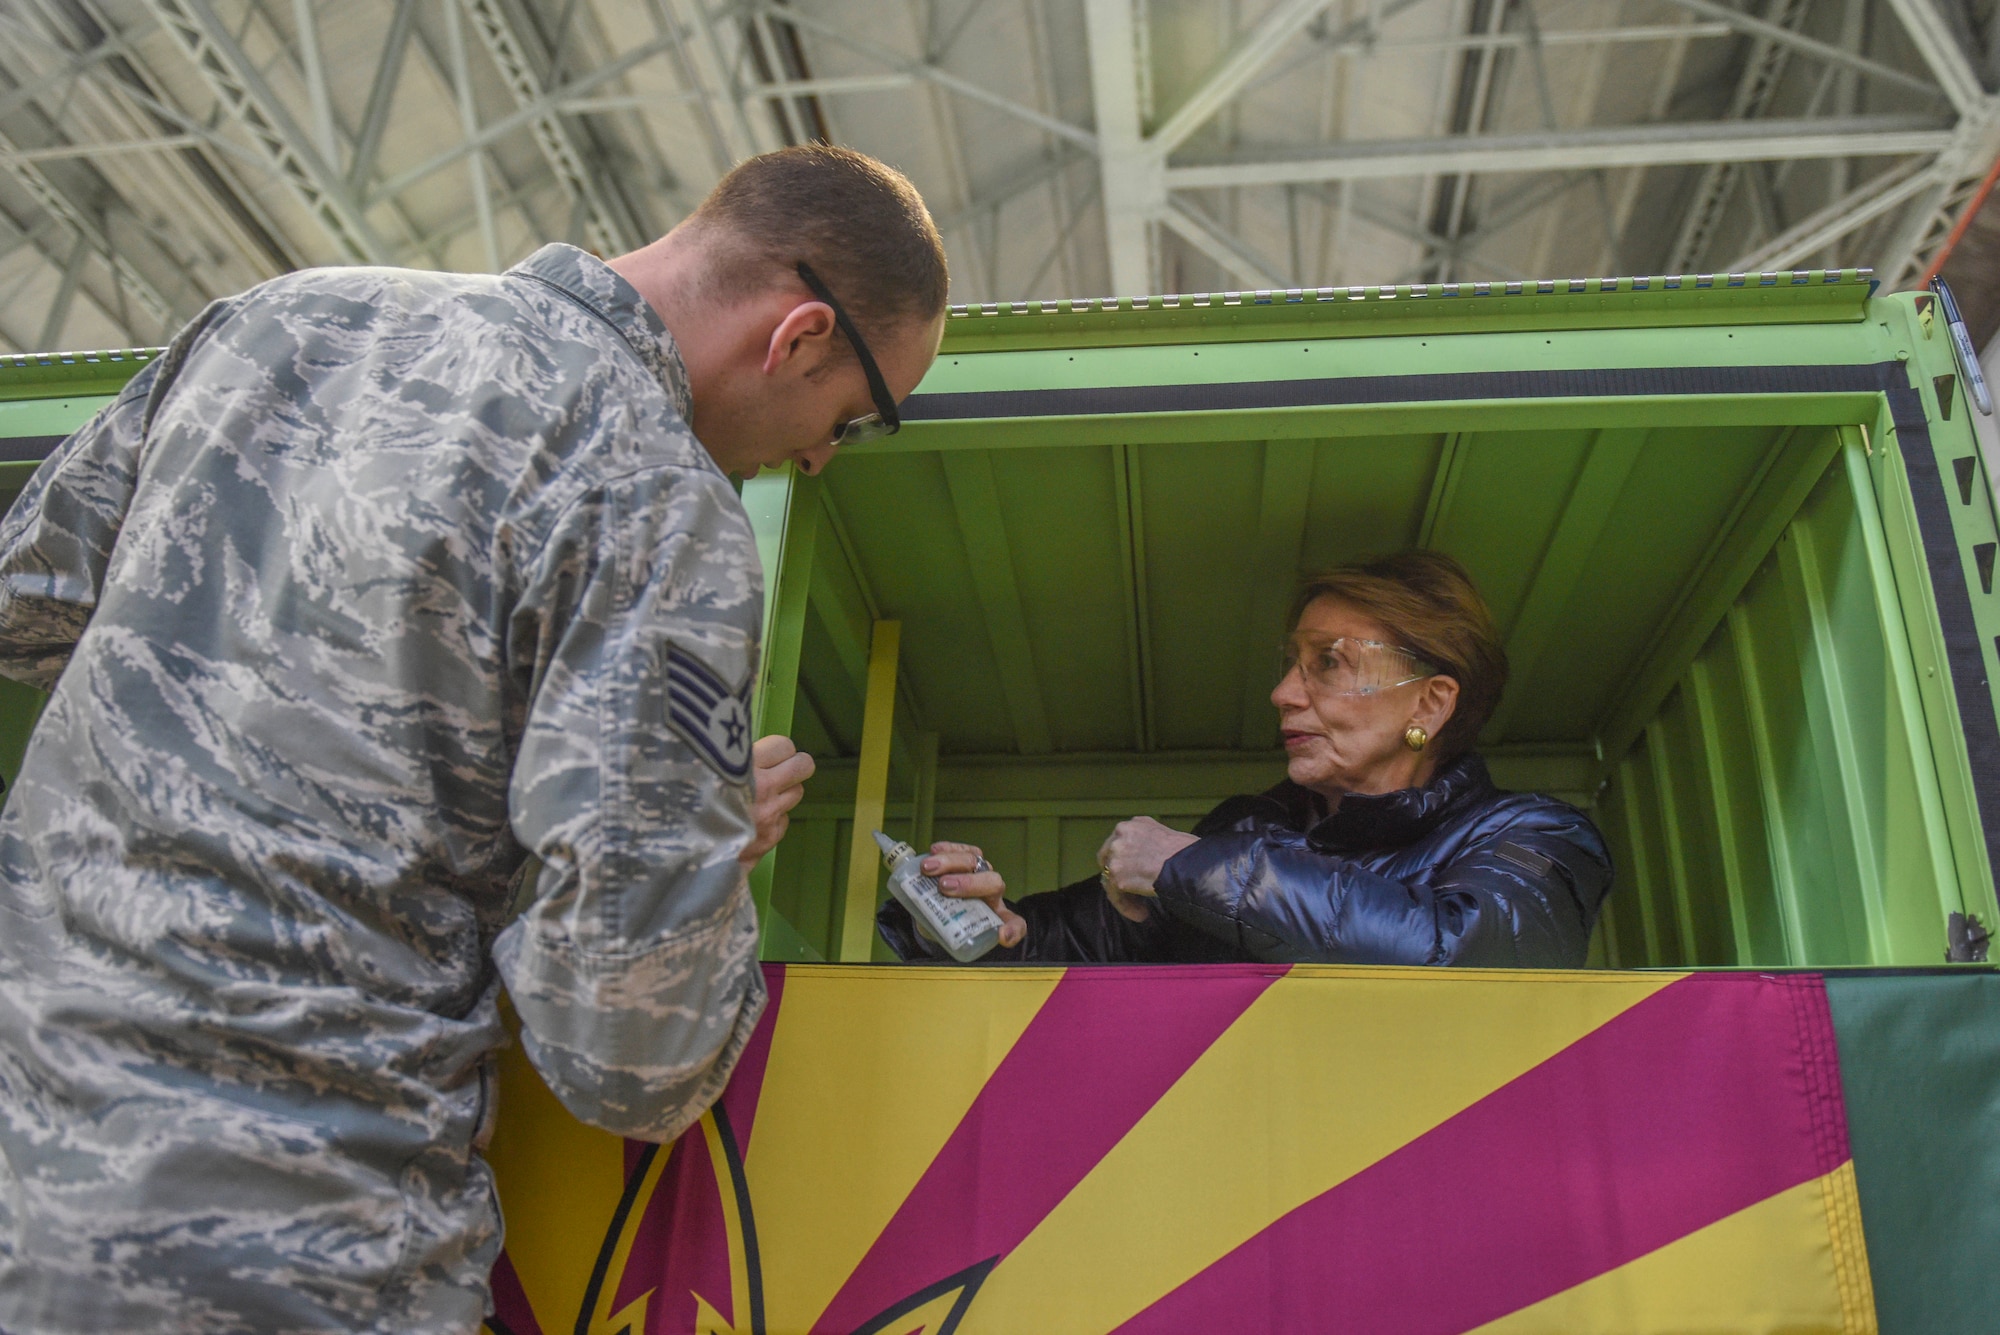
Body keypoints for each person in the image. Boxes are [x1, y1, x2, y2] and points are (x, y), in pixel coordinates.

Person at [0, 144, 947, 1334]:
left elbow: (31, 607)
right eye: (851, 420)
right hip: (285, 1239)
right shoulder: (659, 499)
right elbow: (630, 1052)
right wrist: (701, 838)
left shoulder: (285, 317)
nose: (817, 455)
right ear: (799, 334)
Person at [880, 551, 1612, 967]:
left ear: (1429, 703)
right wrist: (980, 926)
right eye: (1290, 663)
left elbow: (1463, 954)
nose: (1283, 693)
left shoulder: (1539, 836)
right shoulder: (1249, 831)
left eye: (1328, 662)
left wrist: (1188, 866)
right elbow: (1070, 951)